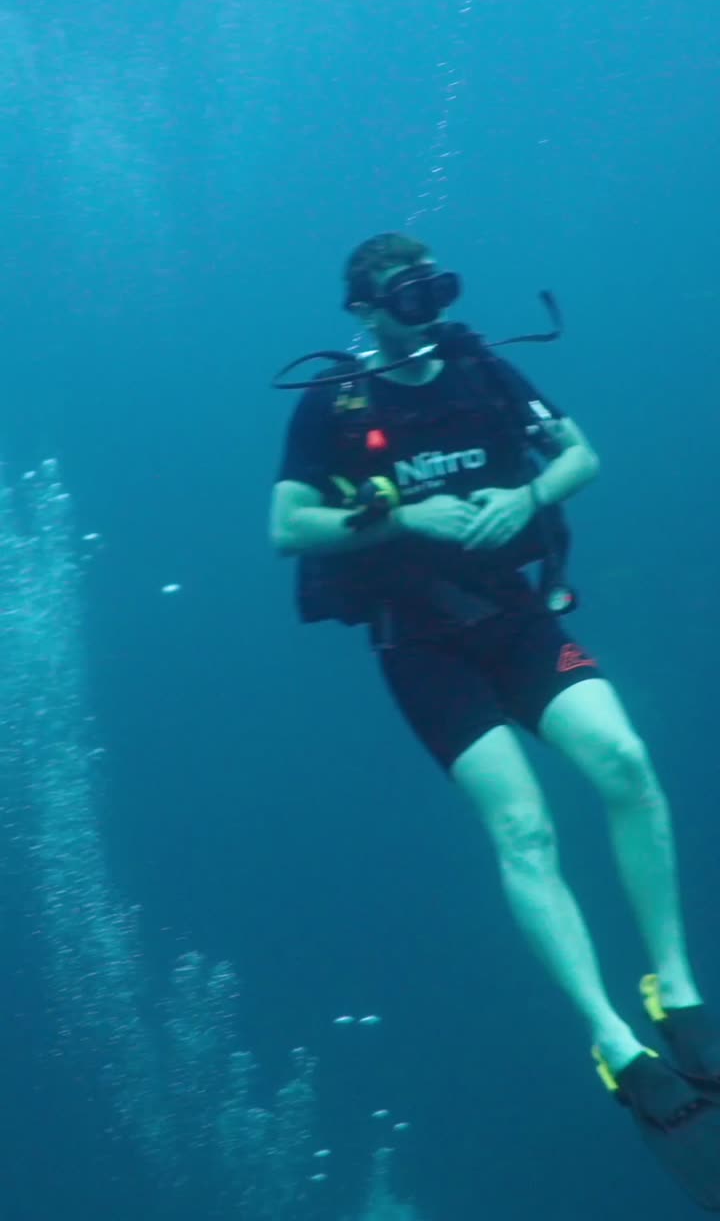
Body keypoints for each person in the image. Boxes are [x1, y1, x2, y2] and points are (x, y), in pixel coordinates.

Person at [269, 232, 720, 1206]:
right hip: (419, 644)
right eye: (404, 294)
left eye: (435, 287)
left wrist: (524, 493)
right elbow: (285, 525)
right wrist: (401, 519)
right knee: (522, 824)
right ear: (362, 306)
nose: (425, 306)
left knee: (626, 761)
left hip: (513, 612)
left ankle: (675, 988)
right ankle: (613, 1035)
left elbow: (583, 456)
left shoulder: (478, 364)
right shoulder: (334, 404)